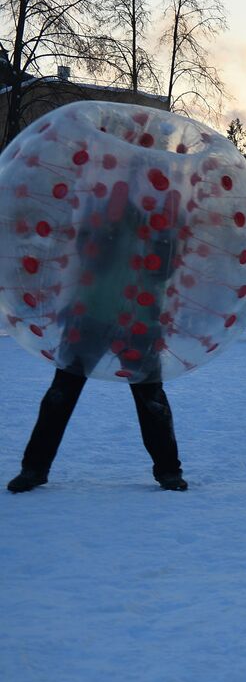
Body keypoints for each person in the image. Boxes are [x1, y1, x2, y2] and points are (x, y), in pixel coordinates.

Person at [8, 184, 187, 493]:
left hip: (138, 322)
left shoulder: (163, 220)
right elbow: (87, 257)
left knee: (151, 400)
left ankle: (169, 471)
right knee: (60, 394)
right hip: (90, 316)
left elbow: (164, 272)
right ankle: (34, 468)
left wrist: (165, 232)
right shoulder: (103, 211)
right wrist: (112, 221)